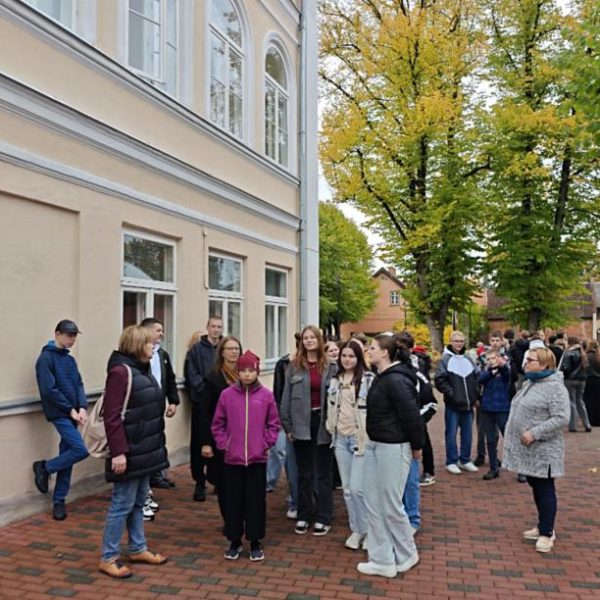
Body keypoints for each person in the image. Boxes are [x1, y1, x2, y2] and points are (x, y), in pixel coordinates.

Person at [98, 325, 169, 578]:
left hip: (144, 450)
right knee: (122, 504)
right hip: (128, 452)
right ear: (138, 345)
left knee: (139, 502)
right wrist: (119, 453)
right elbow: (112, 417)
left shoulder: (142, 368)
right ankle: (108, 556)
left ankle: (138, 548)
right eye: (150, 343)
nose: (154, 347)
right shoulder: (121, 372)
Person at [357, 334, 424, 578]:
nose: (368, 350)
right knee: (373, 502)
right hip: (376, 445)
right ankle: (382, 559)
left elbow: (411, 415)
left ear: (385, 352)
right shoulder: (382, 377)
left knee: (390, 504)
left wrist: (417, 446)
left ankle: (407, 553)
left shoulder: (396, 380)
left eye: (372, 347)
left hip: (393, 448)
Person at [212, 350, 280, 561]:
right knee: (233, 501)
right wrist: (225, 444)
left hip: (257, 459)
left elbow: (273, 424)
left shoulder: (266, 396)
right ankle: (234, 540)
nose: (247, 374)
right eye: (243, 371)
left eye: (251, 370)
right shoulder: (227, 395)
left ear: (257, 372)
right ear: (238, 372)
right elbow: (218, 424)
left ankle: (255, 540)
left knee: (255, 502)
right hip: (233, 459)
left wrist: (265, 444)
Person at [503, 347, 569, 553]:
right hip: (530, 450)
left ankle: (547, 533)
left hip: (544, 450)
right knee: (536, 485)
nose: (526, 363)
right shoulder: (530, 383)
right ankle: (543, 524)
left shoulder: (555, 388)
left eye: (530, 360)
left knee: (545, 488)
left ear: (544, 364)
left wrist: (534, 433)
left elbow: (561, 418)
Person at [280, 325, 337, 536]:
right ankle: (304, 514)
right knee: (304, 472)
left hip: (323, 423)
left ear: (319, 340)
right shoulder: (294, 366)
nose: (309, 341)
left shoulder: (331, 366)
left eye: (313, 337)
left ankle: (324, 516)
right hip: (300, 424)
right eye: (306, 338)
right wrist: (287, 425)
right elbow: (286, 397)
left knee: (323, 473)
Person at [33, 320, 89, 521]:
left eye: (74, 335)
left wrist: (82, 407)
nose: (72, 339)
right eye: (68, 335)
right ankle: (45, 467)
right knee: (80, 450)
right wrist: (70, 409)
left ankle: (59, 500)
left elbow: (79, 384)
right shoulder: (45, 359)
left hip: (73, 412)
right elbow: (49, 390)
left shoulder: (70, 360)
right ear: (57, 334)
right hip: (60, 413)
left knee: (68, 454)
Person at [325, 340, 374, 550]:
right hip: (340, 439)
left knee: (358, 489)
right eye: (343, 355)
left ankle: (370, 530)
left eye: (351, 356)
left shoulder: (368, 379)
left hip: (360, 439)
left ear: (359, 357)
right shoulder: (335, 380)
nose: (347, 359)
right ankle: (357, 530)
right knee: (347, 490)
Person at [201, 336, 242, 523]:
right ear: (222, 352)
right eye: (230, 349)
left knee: (240, 482)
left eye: (236, 349)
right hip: (221, 438)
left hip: (243, 438)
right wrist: (206, 443)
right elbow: (205, 413)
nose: (234, 352)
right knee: (225, 483)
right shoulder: (214, 378)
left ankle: (240, 517)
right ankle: (229, 521)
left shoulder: (245, 375)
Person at [185, 317, 223, 501]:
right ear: (207, 327)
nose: (216, 330)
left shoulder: (224, 348)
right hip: (202, 403)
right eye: (213, 326)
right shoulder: (196, 350)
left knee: (219, 443)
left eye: (219, 327)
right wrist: (206, 391)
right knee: (200, 443)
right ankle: (199, 481)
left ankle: (218, 480)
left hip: (221, 404)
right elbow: (192, 375)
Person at [266, 333, 301, 520]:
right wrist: (280, 419)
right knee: (286, 456)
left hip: (307, 422)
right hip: (287, 419)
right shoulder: (284, 364)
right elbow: (278, 392)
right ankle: (293, 496)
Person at [141, 318, 179, 490]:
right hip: (143, 404)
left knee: (158, 439)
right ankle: (147, 477)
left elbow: (170, 378)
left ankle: (157, 474)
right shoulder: (139, 354)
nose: (162, 334)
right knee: (146, 441)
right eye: (158, 330)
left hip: (159, 403)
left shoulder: (162, 354)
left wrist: (173, 401)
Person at [434, 331, 479, 475]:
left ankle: (465, 459)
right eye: (456, 341)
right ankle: (451, 461)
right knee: (451, 434)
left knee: (468, 434)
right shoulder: (445, 359)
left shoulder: (468, 358)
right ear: (451, 342)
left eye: (461, 341)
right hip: (453, 405)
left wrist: (475, 395)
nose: (459, 344)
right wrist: (452, 394)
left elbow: (476, 377)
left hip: (468, 405)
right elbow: (439, 380)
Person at [478, 350, 511, 480]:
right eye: (489, 359)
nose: (491, 361)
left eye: (493, 358)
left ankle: (521, 469)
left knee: (509, 438)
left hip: (502, 409)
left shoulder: (504, 370)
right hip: (487, 409)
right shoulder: (486, 372)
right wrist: (491, 372)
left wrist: (501, 366)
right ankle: (493, 468)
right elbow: (480, 379)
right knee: (490, 440)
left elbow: (507, 375)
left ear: (498, 358)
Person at [560, 336, 591, 432]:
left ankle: (573, 425)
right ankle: (587, 424)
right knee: (580, 401)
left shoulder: (568, 353)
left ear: (569, 342)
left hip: (570, 379)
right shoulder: (583, 353)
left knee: (572, 402)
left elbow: (565, 367)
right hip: (582, 380)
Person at [584, 340, 600, 426]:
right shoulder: (598, 356)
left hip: (588, 379)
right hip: (598, 380)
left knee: (589, 400)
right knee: (597, 400)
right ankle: (597, 419)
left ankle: (590, 419)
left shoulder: (586, 356)